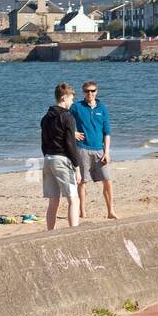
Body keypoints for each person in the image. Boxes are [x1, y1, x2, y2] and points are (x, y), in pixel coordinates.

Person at [40, 83, 84, 230]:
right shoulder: (67, 117)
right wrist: (77, 168)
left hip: (48, 159)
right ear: (64, 97)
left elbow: (44, 142)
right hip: (62, 159)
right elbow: (70, 144)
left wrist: (47, 156)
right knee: (73, 199)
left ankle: (50, 232)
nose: (72, 102)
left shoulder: (46, 117)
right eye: (71, 99)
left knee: (53, 200)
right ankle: (74, 231)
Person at [69, 80, 116, 219]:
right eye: (87, 91)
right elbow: (62, 119)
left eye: (92, 90)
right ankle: (82, 212)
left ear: (96, 91)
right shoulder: (76, 107)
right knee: (82, 182)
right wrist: (72, 133)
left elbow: (107, 132)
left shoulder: (103, 108)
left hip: (99, 150)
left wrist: (107, 152)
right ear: (83, 92)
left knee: (108, 180)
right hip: (82, 149)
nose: (90, 93)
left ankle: (110, 211)